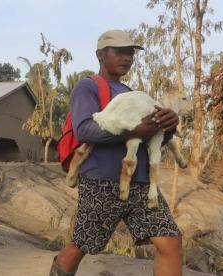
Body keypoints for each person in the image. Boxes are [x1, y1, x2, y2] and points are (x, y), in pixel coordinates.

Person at [49, 30, 182, 276]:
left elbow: (148, 140)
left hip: (141, 183)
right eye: (120, 52)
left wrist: (168, 127)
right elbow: (84, 130)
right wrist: (132, 130)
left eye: (130, 53)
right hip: (102, 181)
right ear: (100, 54)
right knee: (81, 244)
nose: (128, 58)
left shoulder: (132, 93)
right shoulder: (87, 87)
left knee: (170, 241)